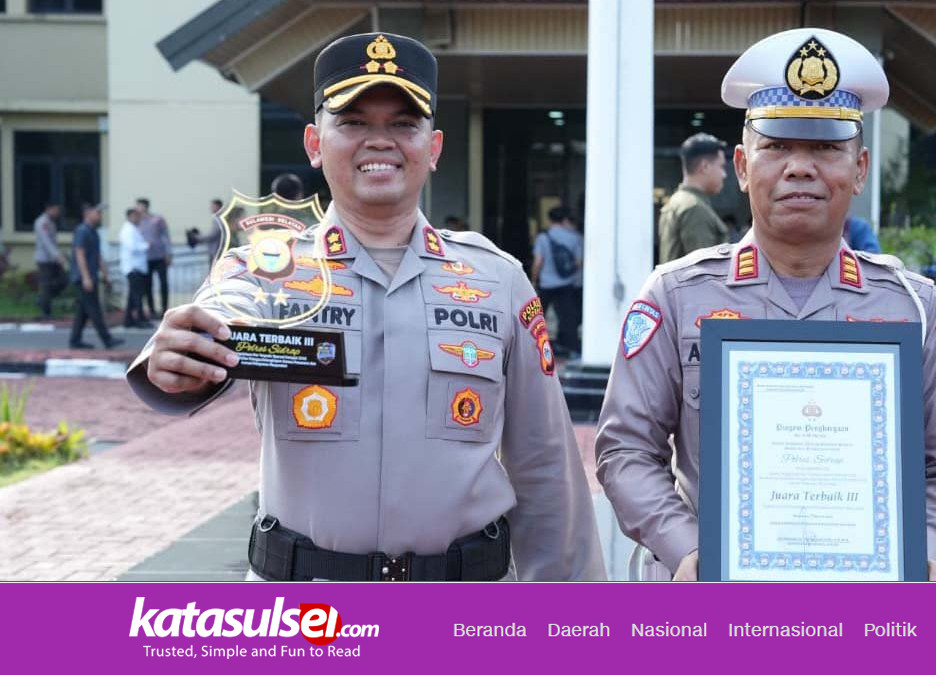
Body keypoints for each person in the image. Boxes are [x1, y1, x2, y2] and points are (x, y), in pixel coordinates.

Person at [126, 32, 604, 581]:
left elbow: (545, 465)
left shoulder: (498, 280)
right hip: (309, 609)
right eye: (353, 122)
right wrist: (181, 357)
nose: (380, 141)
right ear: (314, 143)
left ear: (434, 148)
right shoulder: (263, 270)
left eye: (403, 124)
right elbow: (216, 319)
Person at [596, 28, 936, 582]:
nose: (800, 167)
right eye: (777, 146)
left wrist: (930, 550)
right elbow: (626, 448)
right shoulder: (676, 295)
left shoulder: (915, 306)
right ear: (741, 165)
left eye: (826, 148)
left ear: (860, 169)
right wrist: (685, 548)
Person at [658, 133, 729, 263]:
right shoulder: (694, 208)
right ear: (705, 167)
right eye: (721, 166)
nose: (724, 174)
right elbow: (704, 269)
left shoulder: (677, 202)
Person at [531, 205, 583, 356]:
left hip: (546, 284)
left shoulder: (543, 237)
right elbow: (578, 262)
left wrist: (533, 280)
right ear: (564, 219)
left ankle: (532, 348)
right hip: (566, 284)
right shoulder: (575, 237)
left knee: (536, 317)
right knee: (568, 319)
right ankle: (572, 349)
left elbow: (538, 262)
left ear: (550, 219)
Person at [69, 205, 123, 350]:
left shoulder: (94, 232)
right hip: (83, 277)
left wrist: (106, 275)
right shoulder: (82, 231)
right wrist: (86, 277)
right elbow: (79, 254)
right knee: (94, 309)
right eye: (97, 213)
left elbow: (98, 256)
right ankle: (107, 339)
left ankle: (75, 340)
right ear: (87, 214)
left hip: (91, 276)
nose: (100, 216)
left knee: (83, 311)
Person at [136, 198, 171, 318]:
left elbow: (165, 236)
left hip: (160, 256)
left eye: (140, 206)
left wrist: (168, 253)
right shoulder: (137, 221)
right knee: (147, 285)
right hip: (146, 258)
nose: (138, 209)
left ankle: (164, 309)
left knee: (163, 283)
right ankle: (151, 310)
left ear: (145, 207)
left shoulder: (157, 219)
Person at [33, 202, 69, 319]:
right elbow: (46, 242)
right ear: (49, 209)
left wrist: (60, 254)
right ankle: (46, 313)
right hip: (45, 259)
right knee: (47, 285)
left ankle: (42, 299)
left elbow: (53, 242)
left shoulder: (52, 222)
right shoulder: (42, 222)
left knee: (63, 281)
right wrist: (57, 256)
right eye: (56, 210)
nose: (57, 213)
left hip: (53, 259)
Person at [118, 208, 151, 328]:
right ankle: (140, 320)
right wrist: (146, 246)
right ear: (130, 217)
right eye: (136, 216)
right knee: (137, 295)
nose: (139, 219)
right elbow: (132, 247)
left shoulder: (133, 229)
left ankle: (128, 320)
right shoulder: (127, 230)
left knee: (133, 296)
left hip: (137, 267)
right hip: (133, 268)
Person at [186, 199, 225, 265]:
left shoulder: (219, 219)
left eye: (213, 206)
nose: (211, 208)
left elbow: (212, 235)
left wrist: (196, 237)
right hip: (217, 250)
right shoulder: (220, 218)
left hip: (217, 251)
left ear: (218, 207)